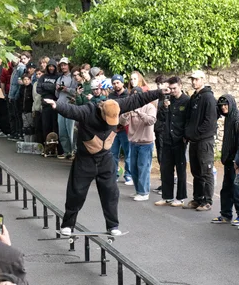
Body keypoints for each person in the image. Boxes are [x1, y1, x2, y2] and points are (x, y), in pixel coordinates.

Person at [44, 88, 162, 235]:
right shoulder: (88, 111)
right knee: (76, 193)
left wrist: (159, 92)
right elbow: (71, 110)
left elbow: (138, 99)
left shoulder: (118, 105)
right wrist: (57, 105)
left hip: (105, 158)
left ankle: (113, 226)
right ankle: (68, 224)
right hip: (85, 159)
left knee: (111, 193)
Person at [183, 71, 217, 211]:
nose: (194, 82)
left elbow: (209, 122)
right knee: (196, 170)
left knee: (206, 171)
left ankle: (207, 200)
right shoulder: (195, 97)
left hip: (204, 140)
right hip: (194, 140)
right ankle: (197, 198)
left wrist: (195, 134)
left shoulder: (208, 98)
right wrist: (188, 133)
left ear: (203, 79)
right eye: (192, 79)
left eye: (196, 79)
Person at [211, 95, 239, 225]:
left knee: (237, 188)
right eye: (221, 105)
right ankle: (226, 214)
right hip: (228, 160)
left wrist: (237, 161)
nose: (223, 107)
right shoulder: (229, 118)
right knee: (226, 188)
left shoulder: (237, 119)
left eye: (226, 104)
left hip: (235, 161)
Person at [154, 77, 189, 207]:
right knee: (165, 168)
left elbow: (188, 120)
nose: (172, 91)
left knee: (180, 169)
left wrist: (186, 135)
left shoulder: (186, 101)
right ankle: (167, 196)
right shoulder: (167, 100)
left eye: (174, 88)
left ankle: (180, 197)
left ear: (180, 86)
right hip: (167, 138)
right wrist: (164, 107)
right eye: (170, 88)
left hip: (180, 140)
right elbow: (161, 118)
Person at [119, 87, 157, 201]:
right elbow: (122, 122)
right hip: (133, 141)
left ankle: (144, 192)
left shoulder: (149, 107)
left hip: (146, 142)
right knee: (133, 167)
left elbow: (150, 121)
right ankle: (138, 190)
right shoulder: (130, 107)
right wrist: (125, 115)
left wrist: (139, 112)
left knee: (143, 167)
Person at [109, 74, 133, 185]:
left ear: (122, 83)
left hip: (125, 129)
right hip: (113, 129)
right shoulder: (111, 96)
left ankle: (129, 175)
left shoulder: (128, 95)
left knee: (128, 152)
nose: (116, 85)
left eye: (118, 82)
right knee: (113, 153)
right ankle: (114, 174)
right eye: (114, 83)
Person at [56, 57, 77, 159]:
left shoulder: (73, 78)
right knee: (62, 130)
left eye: (65, 64)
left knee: (71, 130)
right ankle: (66, 151)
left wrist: (66, 89)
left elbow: (76, 92)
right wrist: (57, 88)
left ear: (69, 65)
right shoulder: (59, 78)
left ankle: (73, 151)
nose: (63, 66)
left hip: (70, 106)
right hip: (60, 105)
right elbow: (57, 94)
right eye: (61, 65)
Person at [37, 59, 60, 143]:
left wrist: (45, 86)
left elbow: (57, 89)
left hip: (55, 104)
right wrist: (52, 87)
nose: (51, 68)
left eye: (52, 66)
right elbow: (38, 89)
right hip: (45, 105)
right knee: (46, 127)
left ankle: (55, 146)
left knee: (55, 127)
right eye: (49, 66)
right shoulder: (43, 77)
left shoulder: (58, 76)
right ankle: (47, 145)